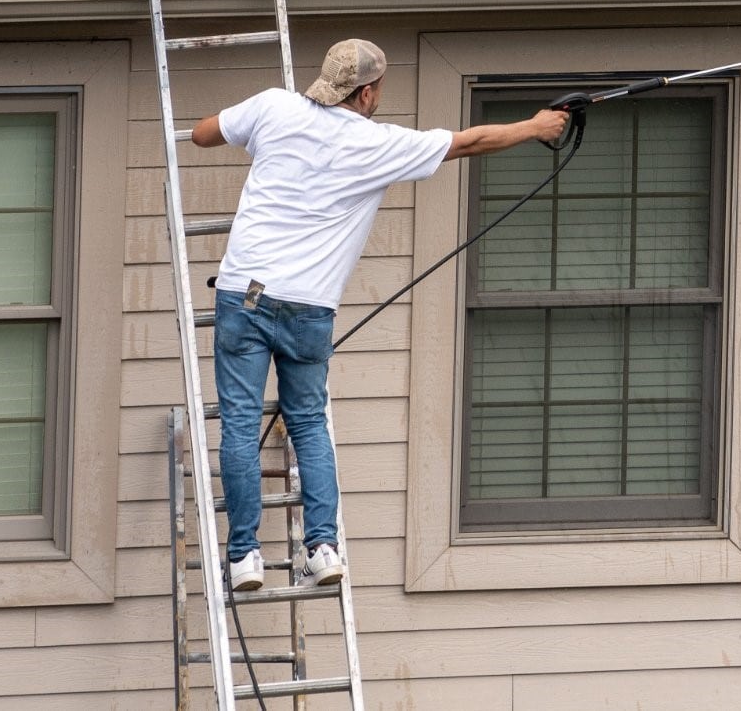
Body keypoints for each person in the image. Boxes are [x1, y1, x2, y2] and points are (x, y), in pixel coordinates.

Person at [190, 37, 570, 592]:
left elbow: (203, 134)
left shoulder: (273, 107)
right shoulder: (379, 145)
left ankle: (244, 557)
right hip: (309, 308)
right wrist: (536, 127)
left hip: (243, 292)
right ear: (367, 92)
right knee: (308, 424)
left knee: (242, 427)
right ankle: (321, 547)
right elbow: (471, 142)